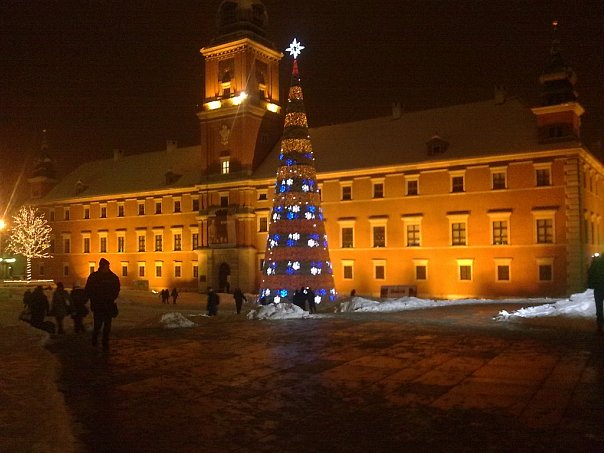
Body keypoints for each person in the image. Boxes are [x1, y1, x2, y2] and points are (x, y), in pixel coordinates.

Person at [85, 258, 120, 352]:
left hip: (107, 304)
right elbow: (88, 290)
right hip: (99, 305)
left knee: (107, 325)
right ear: (101, 266)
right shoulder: (96, 277)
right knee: (98, 324)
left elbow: (116, 289)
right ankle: (95, 339)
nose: (107, 267)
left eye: (107, 266)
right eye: (105, 266)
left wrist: (111, 297)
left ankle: (104, 341)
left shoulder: (111, 277)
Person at [588, 253, 604, 333]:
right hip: (599, 287)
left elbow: (590, 272)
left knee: (599, 307)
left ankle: (600, 325)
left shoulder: (596, 262)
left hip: (598, 288)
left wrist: (591, 284)